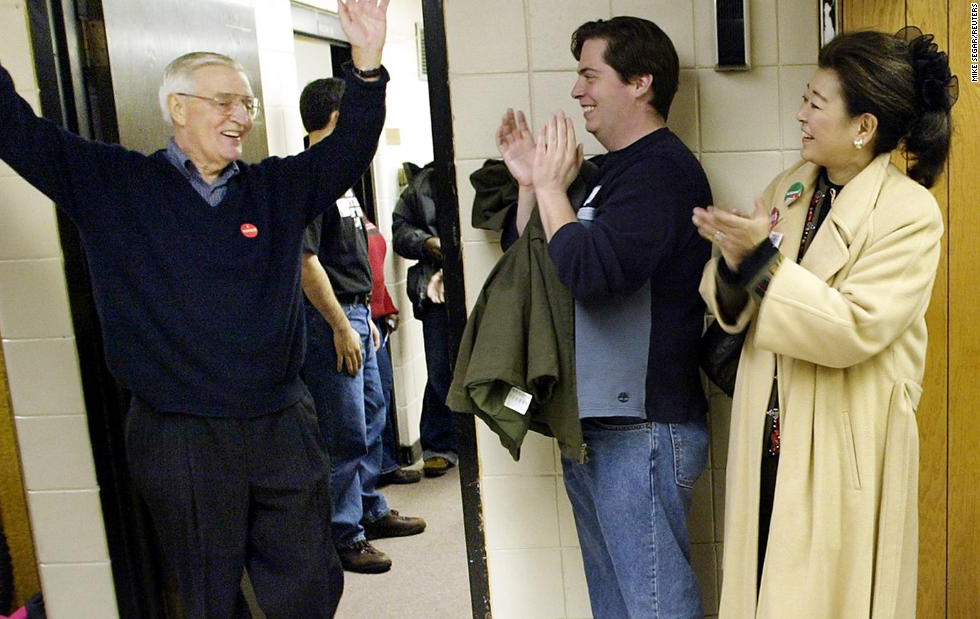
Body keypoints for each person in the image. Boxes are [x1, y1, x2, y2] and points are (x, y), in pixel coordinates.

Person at [0, 0, 391, 616]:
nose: (240, 116)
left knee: (309, 585)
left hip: (280, 422)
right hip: (181, 434)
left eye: (246, 103)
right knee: (206, 595)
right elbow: (9, 125)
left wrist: (366, 64)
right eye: (223, 101)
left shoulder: (275, 189)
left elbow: (349, 147)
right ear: (177, 108)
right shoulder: (115, 186)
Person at [693, 29, 953, 617]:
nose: (800, 115)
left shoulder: (909, 212)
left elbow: (851, 329)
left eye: (815, 103)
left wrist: (761, 261)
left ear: (863, 126)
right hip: (770, 434)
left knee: (830, 599)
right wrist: (735, 264)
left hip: (845, 444)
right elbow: (737, 297)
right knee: (763, 584)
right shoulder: (793, 186)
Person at [496, 16, 712, 618]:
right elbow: (545, 263)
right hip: (598, 424)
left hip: (641, 426)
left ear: (640, 82)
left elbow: (593, 273)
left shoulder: (661, 171)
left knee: (653, 605)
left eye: (590, 75)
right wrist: (530, 188)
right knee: (615, 605)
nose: (576, 90)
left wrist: (552, 189)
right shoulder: (616, 170)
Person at [299, 77, 426, 575]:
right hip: (332, 319)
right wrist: (340, 325)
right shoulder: (309, 179)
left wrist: (366, 315)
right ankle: (343, 533)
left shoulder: (340, 176)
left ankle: (368, 507)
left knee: (373, 416)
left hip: (356, 313)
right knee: (344, 430)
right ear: (335, 120)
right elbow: (306, 263)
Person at [392, 161, 459, 477]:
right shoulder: (421, 185)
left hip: (478, 283)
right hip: (434, 288)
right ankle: (439, 444)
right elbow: (400, 231)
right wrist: (426, 243)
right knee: (439, 370)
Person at [367, 218, 422, 487]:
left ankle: (386, 465)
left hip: (373, 316)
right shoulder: (326, 207)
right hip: (352, 317)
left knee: (382, 392)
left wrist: (386, 305)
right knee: (369, 401)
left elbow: (370, 265)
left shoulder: (354, 208)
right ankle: (370, 486)